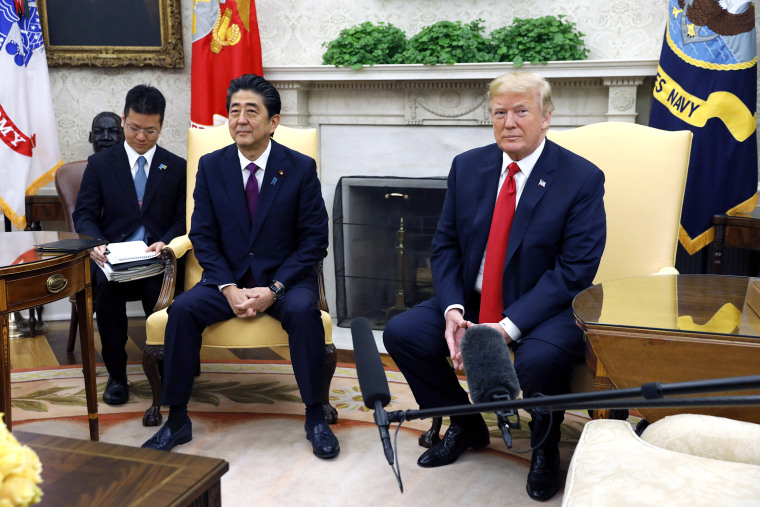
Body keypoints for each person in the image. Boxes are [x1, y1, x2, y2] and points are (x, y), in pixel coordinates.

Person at [383, 72, 606, 502]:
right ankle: (465, 423)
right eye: (499, 112)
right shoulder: (468, 166)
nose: (509, 122)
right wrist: (451, 309)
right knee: (403, 333)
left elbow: (574, 270)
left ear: (546, 118)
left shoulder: (580, 178)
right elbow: (445, 244)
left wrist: (503, 329)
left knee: (539, 360)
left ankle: (544, 447)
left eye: (522, 111)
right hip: (473, 298)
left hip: (544, 306)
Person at [141, 74, 338, 459]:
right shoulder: (212, 166)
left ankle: (315, 415)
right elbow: (203, 236)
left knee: (303, 311)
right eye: (234, 111)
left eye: (252, 111)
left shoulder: (298, 167)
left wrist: (275, 290)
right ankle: (177, 418)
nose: (241, 120)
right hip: (225, 280)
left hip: (283, 281)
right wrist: (228, 288)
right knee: (181, 310)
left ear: (273, 121)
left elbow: (314, 240)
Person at [73, 85, 186, 406]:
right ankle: (117, 376)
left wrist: (167, 242)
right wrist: (96, 244)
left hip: (157, 260)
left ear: (161, 127)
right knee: (107, 302)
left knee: (165, 299)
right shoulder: (100, 164)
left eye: (150, 130)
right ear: (123, 120)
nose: (140, 136)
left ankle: (168, 367)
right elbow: (84, 214)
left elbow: (183, 220)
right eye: (134, 128)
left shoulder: (175, 167)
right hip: (112, 260)